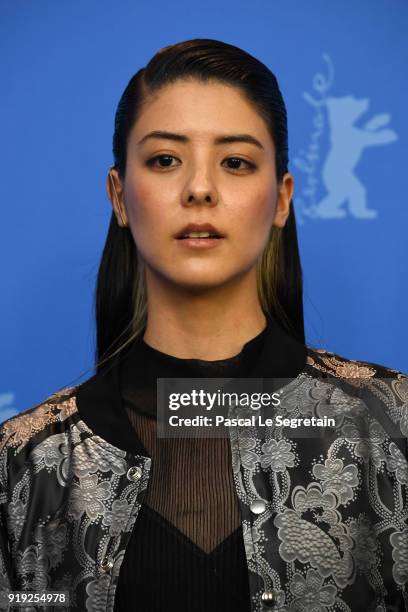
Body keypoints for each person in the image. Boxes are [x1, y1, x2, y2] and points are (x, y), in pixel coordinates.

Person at [0, 38, 407, 612]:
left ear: (281, 199)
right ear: (119, 195)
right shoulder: (22, 465)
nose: (199, 188)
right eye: (165, 160)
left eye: (236, 162)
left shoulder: (392, 426)